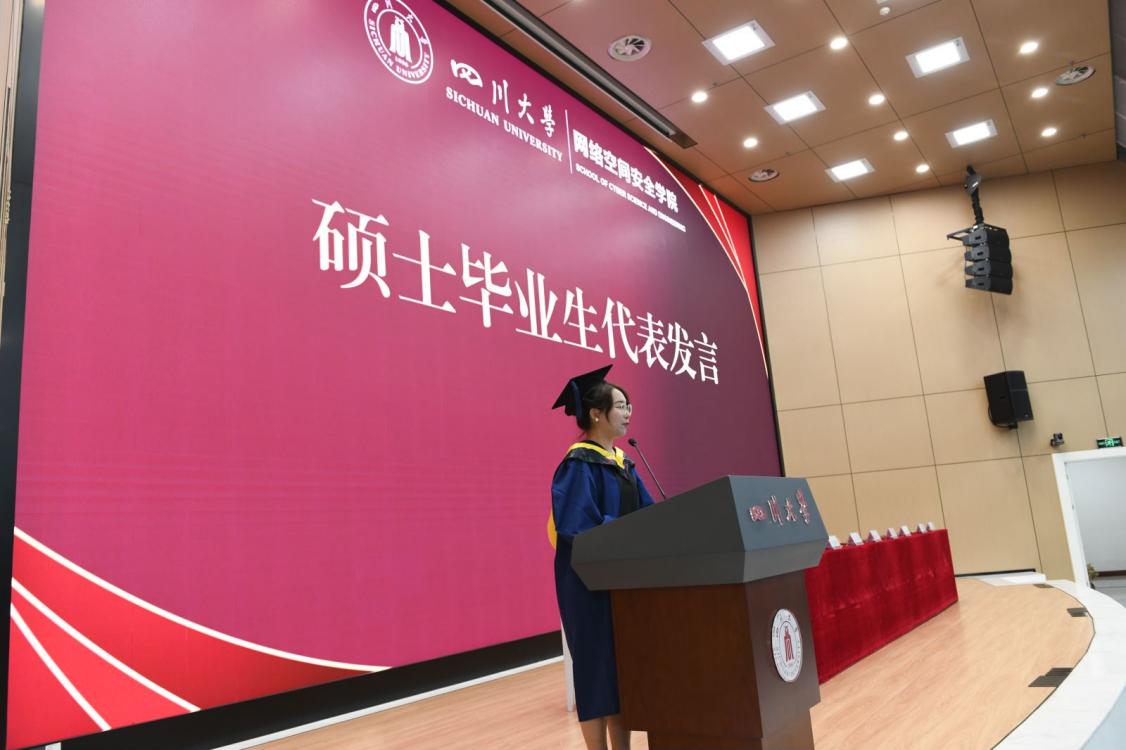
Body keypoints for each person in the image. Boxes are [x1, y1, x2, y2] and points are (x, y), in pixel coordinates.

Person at [549, 365, 656, 750]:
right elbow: (576, 526)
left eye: (629, 406)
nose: (628, 413)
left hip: (621, 580)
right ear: (596, 413)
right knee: (596, 671)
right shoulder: (578, 464)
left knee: (620, 671)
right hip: (588, 584)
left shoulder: (624, 463)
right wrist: (626, 531)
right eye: (621, 406)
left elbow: (651, 515)